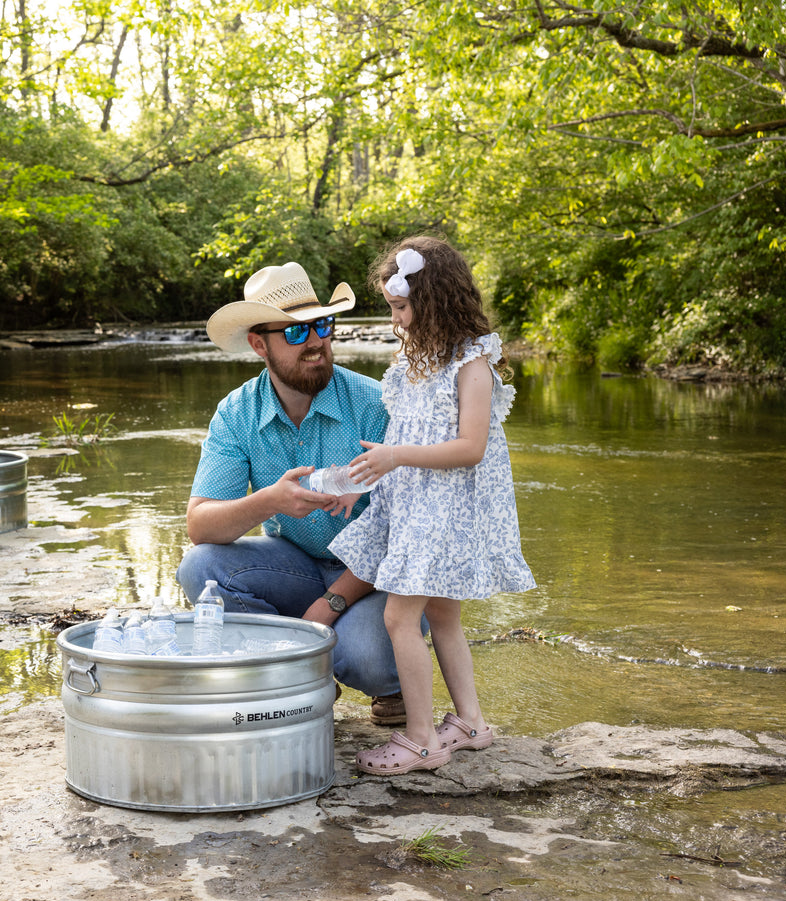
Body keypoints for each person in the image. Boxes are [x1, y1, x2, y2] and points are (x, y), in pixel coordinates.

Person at [330, 237, 535, 775]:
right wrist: (363, 481)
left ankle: (421, 740)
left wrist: (396, 456)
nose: (395, 319)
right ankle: (470, 723)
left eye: (401, 307)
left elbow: (471, 447)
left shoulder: (473, 362)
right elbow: (398, 438)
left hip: (448, 511)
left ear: (436, 300)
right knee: (442, 613)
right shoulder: (413, 361)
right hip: (414, 504)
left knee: (401, 616)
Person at [176, 261, 406, 722]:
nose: (317, 342)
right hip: (294, 565)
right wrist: (269, 501)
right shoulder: (236, 412)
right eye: (297, 333)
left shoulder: (377, 402)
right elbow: (200, 525)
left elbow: (403, 531)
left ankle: (369, 680)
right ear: (259, 344)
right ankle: (301, 673)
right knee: (200, 568)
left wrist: (328, 606)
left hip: (377, 576)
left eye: (322, 325)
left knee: (368, 661)